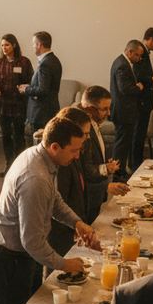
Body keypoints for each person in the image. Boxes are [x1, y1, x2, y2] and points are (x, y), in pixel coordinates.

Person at [0, 115, 99, 304]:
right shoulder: (35, 179)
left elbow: (54, 200)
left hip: (23, 254)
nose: (78, 156)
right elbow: (32, 242)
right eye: (74, 150)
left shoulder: (42, 158)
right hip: (8, 259)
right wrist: (65, 264)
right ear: (55, 147)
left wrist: (77, 223)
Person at [49, 106, 91, 257]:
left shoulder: (74, 153)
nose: (87, 138)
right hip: (61, 235)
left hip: (72, 227)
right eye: (85, 134)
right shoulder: (63, 163)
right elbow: (58, 203)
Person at [78, 85, 125, 223]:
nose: (109, 113)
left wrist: (106, 166)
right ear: (90, 109)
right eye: (104, 109)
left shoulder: (93, 122)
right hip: (87, 198)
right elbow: (85, 169)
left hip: (95, 195)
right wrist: (106, 174)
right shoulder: (83, 130)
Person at [0, 33, 33, 176]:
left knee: (19, 136)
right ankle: (9, 164)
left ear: (14, 45)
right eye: (2, 45)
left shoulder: (24, 62)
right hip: (2, 104)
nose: (4, 48)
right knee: (6, 135)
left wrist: (24, 87)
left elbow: (31, 82)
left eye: (7, 45)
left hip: (19, 105)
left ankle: (20, 167)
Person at [18, 30, 62, 145]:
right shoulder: (54, 60)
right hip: (49, 110)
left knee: (38, 147)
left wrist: (26, 89)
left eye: (34, 44)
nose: (33, 47)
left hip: (40, 113)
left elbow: (43, 90)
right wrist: (31, 86)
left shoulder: (45, 64)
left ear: (39, 45)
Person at [110, 39, 145, 179]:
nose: (139, 58)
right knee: (121, 144)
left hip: (125, 110)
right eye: (137, 55)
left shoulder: (122, 62)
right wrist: (138, 87)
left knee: (124, 143)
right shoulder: (122, 65)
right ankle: (118, 172)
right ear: (130, 52)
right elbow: (124, 88)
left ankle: (120, 169)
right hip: (123, 111)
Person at [131, 27, 153, 172]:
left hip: (145, 101)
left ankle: (137, 163)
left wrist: (152, 80)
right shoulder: (141, 52)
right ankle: (135, 165)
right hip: (141, 101)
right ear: (150, 39)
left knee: (140, 135)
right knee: (138, 136)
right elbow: (137, 76)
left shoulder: (145, 52)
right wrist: (152, 80)